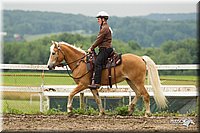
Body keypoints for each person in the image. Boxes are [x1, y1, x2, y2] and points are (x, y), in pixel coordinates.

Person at [88, 11, 113, 89]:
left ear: (103, 19)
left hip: (105, 49)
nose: (97, 20)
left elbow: (99, 40)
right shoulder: (104, 27)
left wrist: (91, 48)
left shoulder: (104, 28)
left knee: (98, 63)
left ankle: (97, 83)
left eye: (99, 19)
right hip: (103, 49)